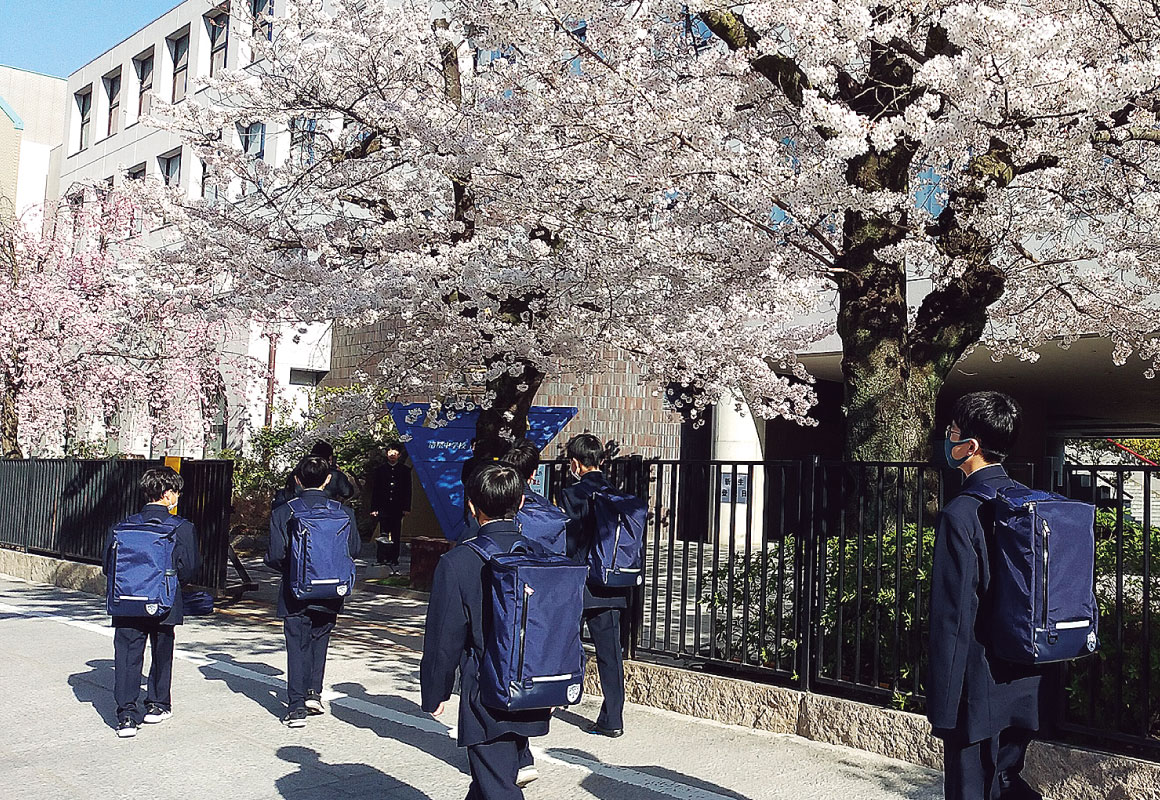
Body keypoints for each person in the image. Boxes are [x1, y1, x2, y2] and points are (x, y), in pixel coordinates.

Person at [928, 391, 1046, 800]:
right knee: (1006, 782)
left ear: (970, 447)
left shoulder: (960, 514)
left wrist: (942, 706)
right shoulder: (1029, 504)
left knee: (971, 789)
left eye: (952, 433)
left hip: (975, 689)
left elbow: (953, 616)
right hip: (1025, 678)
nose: (947, 439)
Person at [421, 463, 553, 800]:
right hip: (534, 686)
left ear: (471, 505)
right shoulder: (543, 556)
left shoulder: (459, 562)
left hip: (486, 692)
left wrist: (435, 691)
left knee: (497, 787)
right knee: (488, 781)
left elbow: (443, 638)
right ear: (522, 502)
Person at [103, 466, 201, 739]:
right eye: (177, 492)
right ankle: (157, 704)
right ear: (168, 494)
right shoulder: (181, 527)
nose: (178, 498)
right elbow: (190, 568)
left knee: (127, 655)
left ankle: (126, 716)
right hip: (164, 600)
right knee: (161, 650)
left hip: (127, 598)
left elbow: (107, 567)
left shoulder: (122, 526)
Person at [267, 455, 361, 728]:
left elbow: (275, 555)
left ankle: (295, 707)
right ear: (328, 479)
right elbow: (353, 550)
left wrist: (295, 569)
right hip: (332, 586)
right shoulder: (343, 511)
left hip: (295, 588)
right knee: (320, 638)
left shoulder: (284, 511)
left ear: (297, 479)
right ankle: (313, 694)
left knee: (297, 643)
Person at [560, 433, 627, 738]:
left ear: (575, 462)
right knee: (610, 653)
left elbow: (570, 541)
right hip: (612, 584)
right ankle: (613, 718)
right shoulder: (616, 493)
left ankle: (552, 700)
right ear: (601, 459)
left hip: (580, 582)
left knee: (564, 644)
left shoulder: (573, 494)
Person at [370, 442, 411, 568]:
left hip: (397, 506)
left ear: (399, 455)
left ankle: (394, 558)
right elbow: (375, 490)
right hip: (383, 506)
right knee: (383, 533)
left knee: (396, 533)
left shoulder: (404, 471)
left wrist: (406, 507)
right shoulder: (380, 470)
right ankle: (381, 557)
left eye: (395, 453)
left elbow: (408, 490)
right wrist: (374, 508)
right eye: (390, 452)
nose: (392, 455)